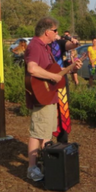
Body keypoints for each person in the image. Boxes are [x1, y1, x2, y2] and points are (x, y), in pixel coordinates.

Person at [24, 17, 81, 181]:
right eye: (55, 31)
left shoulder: (46, 47)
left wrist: (70, 69)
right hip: (41, 95)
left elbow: (54, 71)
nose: (57, 34)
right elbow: (32, 68)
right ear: (47, 31)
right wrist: (52, 77)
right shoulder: (35, 45)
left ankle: (46, 162)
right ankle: (32, 168)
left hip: (50, 95)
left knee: (47, 132)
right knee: (37, 133)